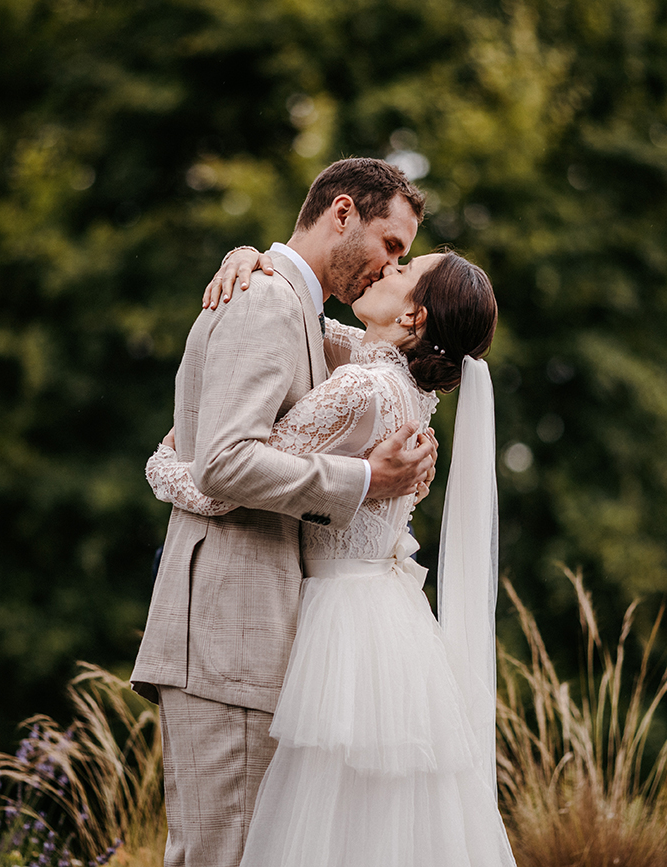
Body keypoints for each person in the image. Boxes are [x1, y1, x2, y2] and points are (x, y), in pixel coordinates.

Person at [147, 249, 516, 867]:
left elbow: (230, 484)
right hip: (387, 620)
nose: (383, 271)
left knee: (313, 829)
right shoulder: (403, 385)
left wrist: (163, 467)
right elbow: (312, 325)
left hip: (337, 625)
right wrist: (254, 260)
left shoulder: (362, 387)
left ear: (414, 317)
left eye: (401, 270)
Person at [129, 158, 438, 867]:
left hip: (251, 640)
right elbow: (226, 462)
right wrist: (366, 478)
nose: (393, 265)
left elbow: (367, 350)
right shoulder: (267, 301)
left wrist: (248, 252)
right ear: (341, 213)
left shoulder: (293, 303)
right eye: (391, 245)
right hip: (227, 637)